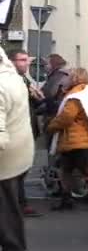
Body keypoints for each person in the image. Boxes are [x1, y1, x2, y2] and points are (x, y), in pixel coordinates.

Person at [47, 68, 88, 212]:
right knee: (70, 171)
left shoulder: (75, 97)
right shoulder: (86, 92)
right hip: (84, 139)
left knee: (79, 172)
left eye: (67, 76)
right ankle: (70, 198)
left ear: (74, 78)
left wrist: (51, 126)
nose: (64, 79)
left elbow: (66, 118)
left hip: (75, 141)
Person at [0, 46, 35, 251]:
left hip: (5, 158)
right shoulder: (13, 78)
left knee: (5, 209)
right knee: (9, 207)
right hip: (20, 152)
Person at [8, 50, 43, 218]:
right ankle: (19, 205)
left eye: (27, 60)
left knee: (21, 171)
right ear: (11, 62)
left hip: (26, 130)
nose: (27, 63)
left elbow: (30, 104)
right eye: (22, 60)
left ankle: (18, 204)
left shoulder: (23, 79)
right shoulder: (8, 81)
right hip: (12, 132)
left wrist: (37, 98)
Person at [41, 54, 70, 119]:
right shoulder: (56, 75)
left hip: (56, 112)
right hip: (58, 110)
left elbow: (50, 93)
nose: (45, 66)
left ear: (53, 64)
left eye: (47, 64)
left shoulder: (58, 76)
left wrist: (39, 95)